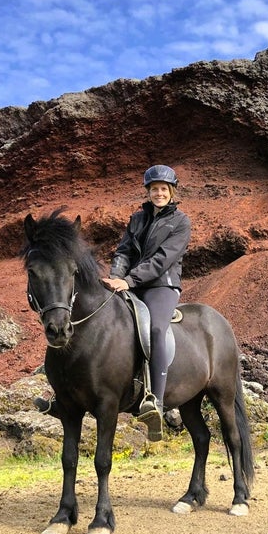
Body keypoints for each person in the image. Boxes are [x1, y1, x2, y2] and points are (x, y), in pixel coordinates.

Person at [102, 164, 191, 441]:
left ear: (171, 192)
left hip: (161, 286)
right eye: (154, 189)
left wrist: (129, 280)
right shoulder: (137, 219)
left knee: (154, 330)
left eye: (164, 189)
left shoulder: (180, 222)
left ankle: (157, 402)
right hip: (130, 282)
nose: (159, 193)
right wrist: (115, 276)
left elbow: (163, 259)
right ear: (148, 192)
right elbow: (124, 250)